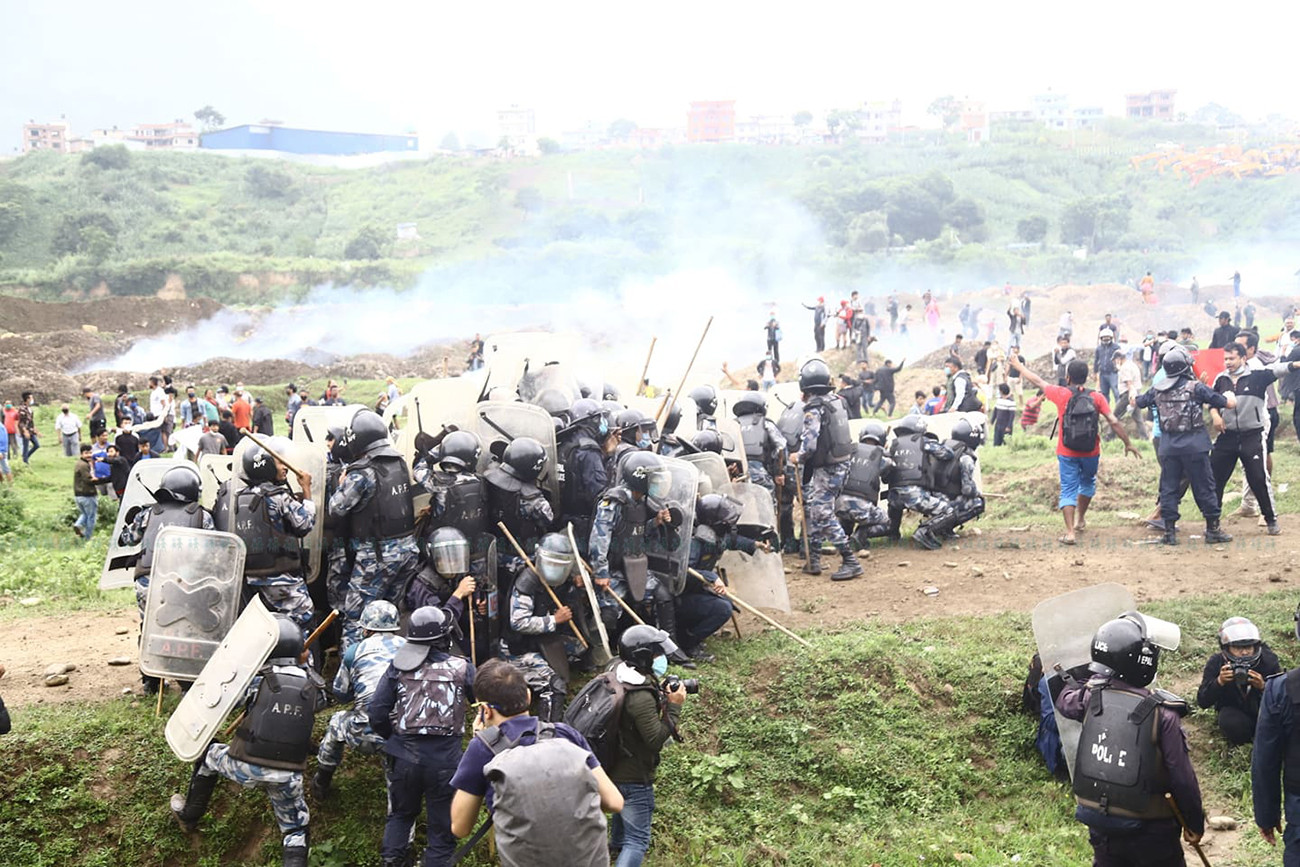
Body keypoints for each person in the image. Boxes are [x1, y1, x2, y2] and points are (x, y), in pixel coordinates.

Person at [170, 618, 324, 867]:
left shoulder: (257, 680)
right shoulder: (316, 687)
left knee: (208, 752)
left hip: (245, 765)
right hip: (289, 775)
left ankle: (189, 815)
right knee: (296, 830)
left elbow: (221, 699)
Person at [1058, 613, 1203, 865]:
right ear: (1142, 662)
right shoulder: (1163, 713)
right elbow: (1182, 778)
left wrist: (1091, 676)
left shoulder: (1089, 697)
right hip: (1153, 832)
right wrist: (1194, 823)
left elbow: (1065, 700)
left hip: (1101, 825)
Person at [450, 659, 622, 865]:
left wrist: (483, 741)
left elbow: (460, 827)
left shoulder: (481, 749)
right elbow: (614, 802)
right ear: (529, 696)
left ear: (485, 710)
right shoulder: (564, 734)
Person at [368, 605, 475, 867]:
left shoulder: (398, 668)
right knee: (441, 832)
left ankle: (391, 862)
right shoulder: (462, 668)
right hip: (445, 763)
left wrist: (393, 738)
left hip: (404, 758)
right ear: (444, 637)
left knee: (401, 817)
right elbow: (483, 702)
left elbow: (376, 712)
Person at [1008, 357, 1139, 545]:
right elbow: (1114, 421)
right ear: (1086, 378)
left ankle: (1070, 533)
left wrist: (1019, 366)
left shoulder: (1061, 394)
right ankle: (1080, 520)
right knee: (1087, 483)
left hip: (1067, 451)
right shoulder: (1097, 397)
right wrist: (1128, 443)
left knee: (1068, 489)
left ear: (1068, 377)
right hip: (1091, 451)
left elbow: (1037, 381)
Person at [115, 464, 214, 693]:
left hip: (147, 583)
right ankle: (187, 680)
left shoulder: (148, 513)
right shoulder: (202, 516)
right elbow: (213, 552)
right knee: (186, 629)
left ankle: (151, 680)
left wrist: (132, 519)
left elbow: (126, 539)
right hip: (185, 586)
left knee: (150, 627)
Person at [329, 409, 419, 650]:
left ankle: (351, 677)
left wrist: (340, 485)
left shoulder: (362, 471)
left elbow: (336, 508)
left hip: (377, 555)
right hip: (408, 551)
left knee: (356, 619)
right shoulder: (398, 462)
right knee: (389, 616)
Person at [589, 452, 691, 660]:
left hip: (635, 566)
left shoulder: (642, 501)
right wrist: (600, 571)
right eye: (653, 479)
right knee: (608, 613)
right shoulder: (613, 502)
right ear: (640, 477)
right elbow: (599, 538)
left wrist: (657, 522)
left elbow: (637, 532)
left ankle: (670, 649)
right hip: (614, 570)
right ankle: (596, 657)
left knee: (662, 595)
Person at [604, 626, 689, 867]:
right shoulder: (639, 698)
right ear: (642, 657)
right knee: (637, 840)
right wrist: (674, 706)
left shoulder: (617, 675)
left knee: (622, 825)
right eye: (654, 654)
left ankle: (614, 852)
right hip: (633, 777)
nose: (659, 658)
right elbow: (654, 739)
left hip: (614, 768)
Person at [1133, 346, 1234, 545]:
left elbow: (1139, 402)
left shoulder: (1157, 389)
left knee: (1169, 488)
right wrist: (1230, 399)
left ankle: (1169, 532)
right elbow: (1225, 403)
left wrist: (1132, 397)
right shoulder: (1195, 387)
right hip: (1195, 446)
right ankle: (1213, 529)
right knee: (1204, 486)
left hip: (1169, 446)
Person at [312, 600, 406, 797]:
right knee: (398, 795)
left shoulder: (354, 651)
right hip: (402, 734)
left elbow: (341, 694)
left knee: (337, 721)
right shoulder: (410, 650)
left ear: (366, 629)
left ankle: (321, 781)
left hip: (364, 731)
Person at [232, 440, 318, 637]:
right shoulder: (278, 497)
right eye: (279, 463)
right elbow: (304, 525)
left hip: (254, 579)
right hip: (282, 578)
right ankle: (299, 666)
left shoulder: (241, 497)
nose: (285, 467)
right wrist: (306, 490)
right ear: (267, 467)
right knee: (301, 622)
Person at [1211, 340, 1298, 534]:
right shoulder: (1220, 379)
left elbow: (1278, 369)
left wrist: (1296, 364)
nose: (1228, 362)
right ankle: (1213, 523)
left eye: (1232, 358)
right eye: (1225, 358)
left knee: (1258, 477)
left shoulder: (1257, 377)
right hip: (1227, 436)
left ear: (1243, 358)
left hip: (1252, 435)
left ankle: (1271, 519)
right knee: (1215, 478)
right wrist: (1216, 416)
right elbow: (1212, 401)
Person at [790, 359, 862, 581]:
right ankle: (814, 560)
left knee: (821, 511)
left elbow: (809, 445)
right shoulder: (835, 401)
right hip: (841, 463)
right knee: (815, 508)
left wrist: (798, 456)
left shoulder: (814, 407)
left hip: (828, 468)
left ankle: (850, 560)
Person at [499, 533, 583, 722]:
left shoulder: (556, 576)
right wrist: (554, 620)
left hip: (540, 642)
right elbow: (518, 622)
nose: (555, 569)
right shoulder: (527, 582)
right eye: (552, 563)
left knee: (580, 649)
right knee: (555, 688)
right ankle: (548, 731)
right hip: (518, 650)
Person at [1197, 617, 1280, 746]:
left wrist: (1264, 687)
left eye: (1248, 647)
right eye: (1238, 648)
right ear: (1226, 648)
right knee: (1229, 720)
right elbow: (1202, 701)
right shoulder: (1216, 663)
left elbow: (1283, 699)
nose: (1245, 652)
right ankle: (1246, 741)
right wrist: (1219, 682)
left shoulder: (1268, 661)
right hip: (1234, 711)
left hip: (1263, 710)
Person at [835, 421, 893, 550]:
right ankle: (861, 534)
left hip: (839, 505)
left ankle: (844, 536)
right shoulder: (883, 458)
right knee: (888, 523)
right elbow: (886, 479)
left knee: (849, 510)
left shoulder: (850, 451)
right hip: (862, 506)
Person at [733, 392, 786, 494]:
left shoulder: (733, 424)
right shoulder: (765, 423)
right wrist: (779, 473)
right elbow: (781, 447)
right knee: (766, 504)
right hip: (759, 473)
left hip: (736, 474)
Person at [72, 443, 98, 542]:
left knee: (85, 514)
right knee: (91, 517)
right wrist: (99, 479)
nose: (89, 455)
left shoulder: (79, 463)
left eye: (90, 452)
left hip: (78, 495)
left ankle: (78, 525)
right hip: (87, 494)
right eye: (86, 453)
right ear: (81, 454)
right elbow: (88, 479)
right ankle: (88, 537)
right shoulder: (84, 465)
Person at [1094, 329, 1120, 404]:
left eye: (1107, 337)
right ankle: (1106, 411)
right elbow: (1096, 360)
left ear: (1111, 338)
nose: (1105, 339)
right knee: (1104, 393)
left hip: (1113, 373)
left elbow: (1120, 359)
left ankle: (1118, 411)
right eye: (1104, 337)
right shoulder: (1099, 348)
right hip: (1102, 374)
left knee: (1116, 392)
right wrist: (1095, 372)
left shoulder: (1116, 347)